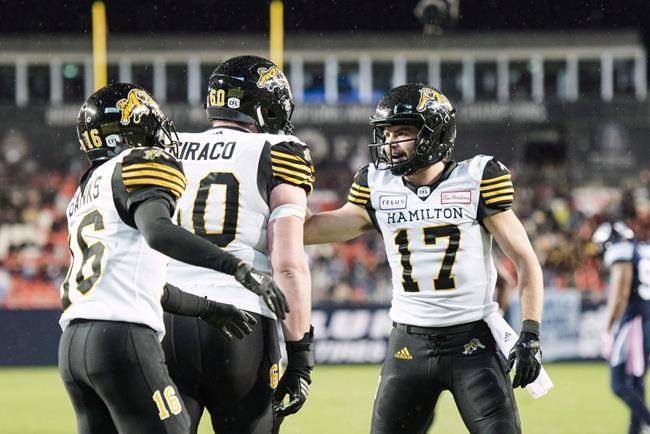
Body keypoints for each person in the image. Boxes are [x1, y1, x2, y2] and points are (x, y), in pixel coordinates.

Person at [304, 83, 544, 434]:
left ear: (435, 134)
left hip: (473, 343)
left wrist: (531, 333)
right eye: (386, 133)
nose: (389, 143)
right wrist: (277, 209)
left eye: (402, 132)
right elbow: (310, 230)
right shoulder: (377, 185)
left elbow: (525, 260)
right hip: (409, 343)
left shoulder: (476, 178)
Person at [59, 83, 288, 434]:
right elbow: (160, 232)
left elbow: (147, 285)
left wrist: (208, 308)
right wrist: (237, 268)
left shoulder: (87, 188)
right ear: (133, 128)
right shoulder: (138, 164)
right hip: (123, 339)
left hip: (74, 345)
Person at [163, 55, 314, 434]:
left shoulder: (169, 148)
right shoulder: (278, 150)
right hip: (241, 318)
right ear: (264, 107)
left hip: (169, 317)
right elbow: (288, 264)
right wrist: (301, 356)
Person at [595, 221, 650, 434]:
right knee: (637, 381)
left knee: (618, 384)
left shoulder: (621, 251)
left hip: (632, 323)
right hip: (646, 321)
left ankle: (646, 421)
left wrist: (608, 330)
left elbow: (620, 295)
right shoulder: (643, 249)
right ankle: (635, 430)